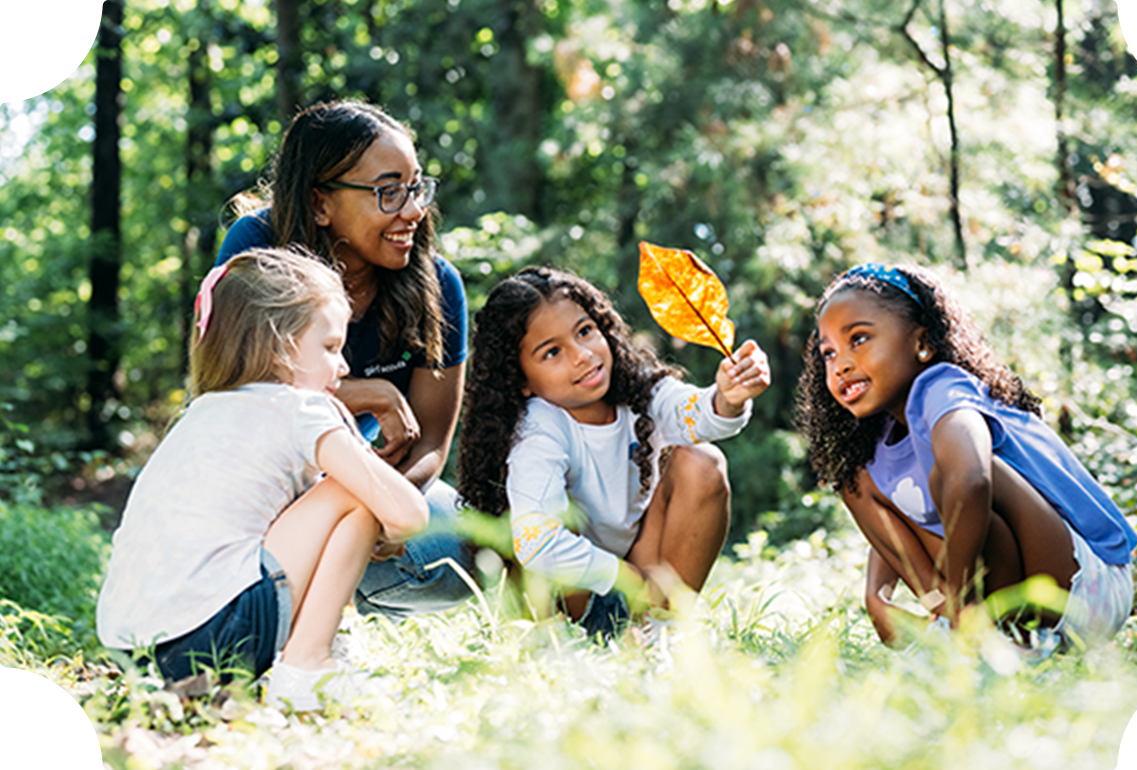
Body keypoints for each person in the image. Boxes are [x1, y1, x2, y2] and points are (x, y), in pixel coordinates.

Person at [97, 249, 429, 710]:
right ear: (279, 346)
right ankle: (307, 665)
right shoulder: (301, 408)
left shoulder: (201, 411)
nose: (345, 367)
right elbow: (410, 513)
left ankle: (315, 653)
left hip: (137, 657)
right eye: (331, 347)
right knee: (356, 492)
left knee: (336, 497)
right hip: (211, 639)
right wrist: (384, 526)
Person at [216, 99, 472, 618]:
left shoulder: (438, 284)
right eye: (388, 192)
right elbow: (225, 392)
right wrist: (362, 394)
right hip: (264, 480)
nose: (414, 210)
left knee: (463, 553)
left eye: (415, 186)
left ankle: (342, 604)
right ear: (319, 204)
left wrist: (385, 503)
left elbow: (430, 443)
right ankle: (261, 609)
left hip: (382, 491)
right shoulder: (256, 249)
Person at [798, 263, 1137, 651]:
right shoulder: (877, 448)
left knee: (959, 472)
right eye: (827, 353)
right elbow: (895, 524)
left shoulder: (943, 389)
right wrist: (877, 596)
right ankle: (958, 622)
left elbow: (974, 480)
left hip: (1089, 587)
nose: (840, 364)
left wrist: (962, 594)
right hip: (1020, 590)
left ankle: (977, 624)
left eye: (858, 339)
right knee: (854, 481)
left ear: (922, 342)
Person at [457, 266, 771, 637]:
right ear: (520, 379)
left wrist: (729, 397)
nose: (582, 355)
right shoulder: (538, 429)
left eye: (585, 331)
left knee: (703, 461)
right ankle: (571, 641)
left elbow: (700, 415)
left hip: (640, 565)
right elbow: (537, 544)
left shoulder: (638, 390)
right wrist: (622, 577)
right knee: (533, 543)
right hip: (569, 593)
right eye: (553, 352)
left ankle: (662, 632)